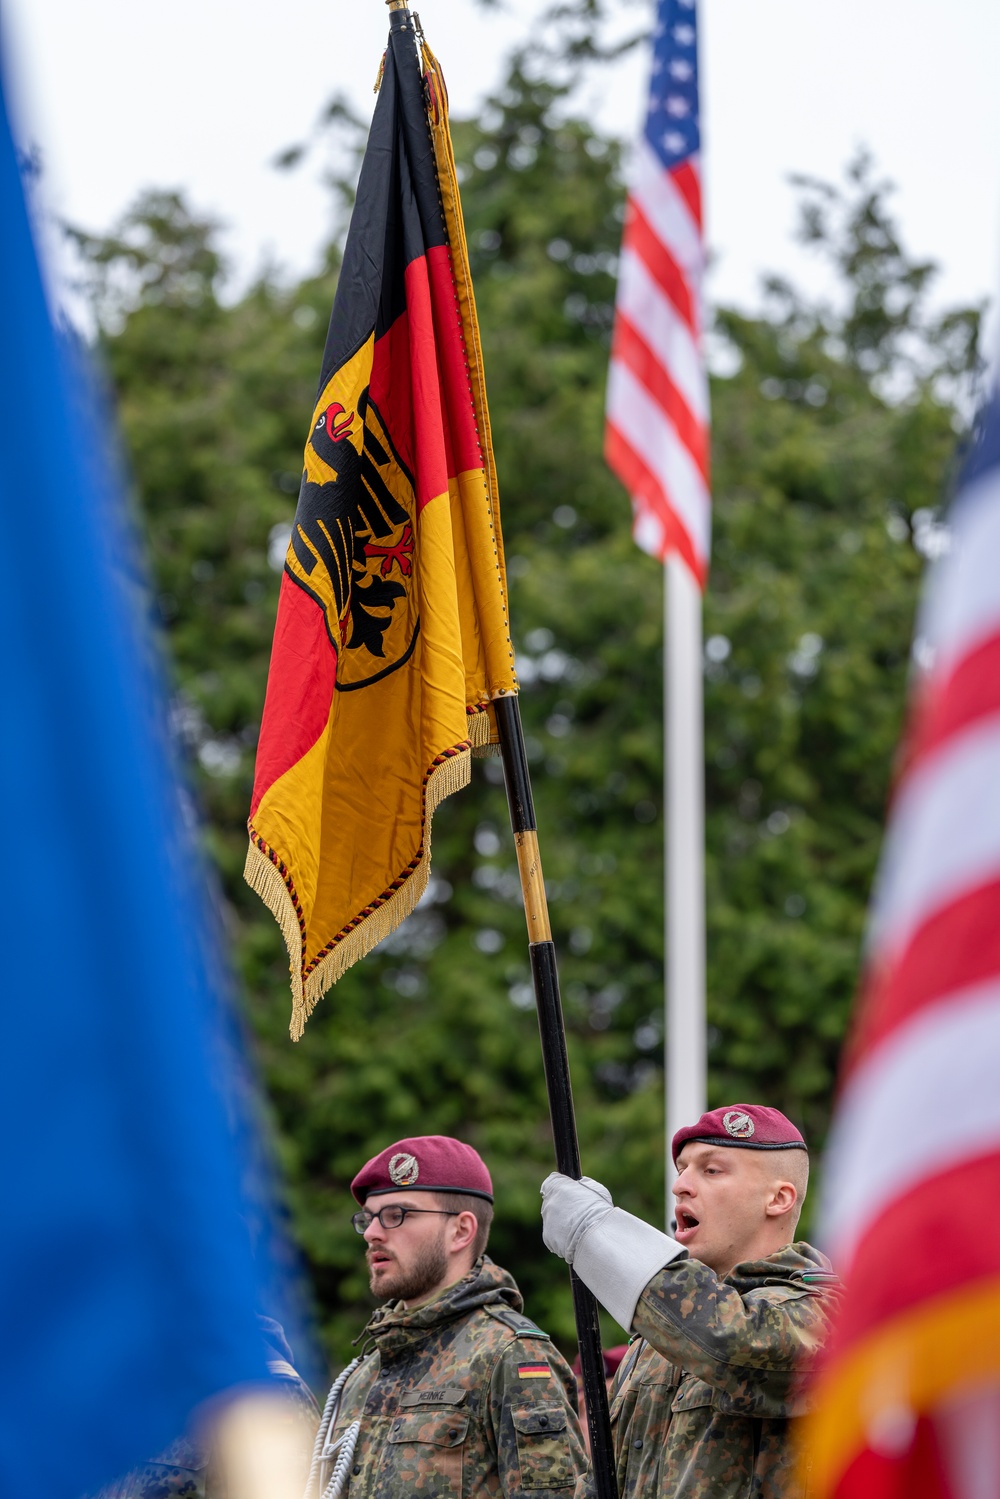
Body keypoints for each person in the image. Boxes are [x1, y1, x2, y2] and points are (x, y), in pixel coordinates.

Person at [540, 1105, 840, 1499]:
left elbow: (730, 1343)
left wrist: (598, 1235)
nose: (680, 1185)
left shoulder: (823, 1313)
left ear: (779, 1198)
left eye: (711, 1170)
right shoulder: (654, 1343)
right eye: (682, 1169)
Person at [308, 1135, 590, 1499]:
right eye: (368, 1218)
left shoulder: (511, 1356)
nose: (374, 1234)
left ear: (461, 1231)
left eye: (397, 1215)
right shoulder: (364, 1373)